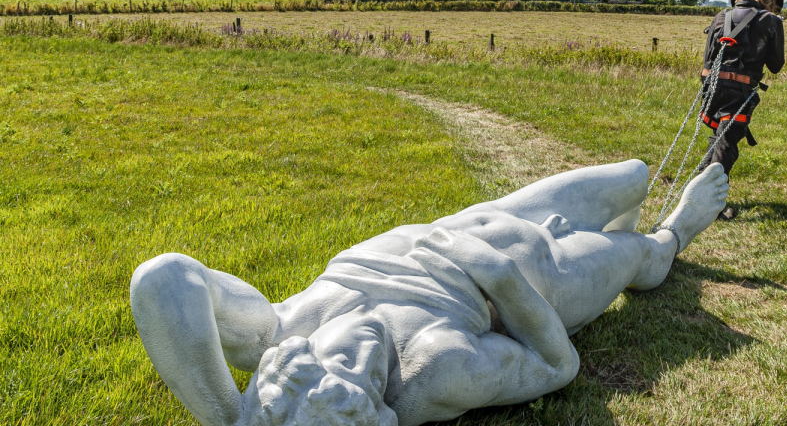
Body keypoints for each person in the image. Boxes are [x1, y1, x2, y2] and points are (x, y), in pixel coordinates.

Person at [131, 160, 728, 426]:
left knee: (633, 175)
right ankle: (680, 227)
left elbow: (163, 279)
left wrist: (228, 420)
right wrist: (498, 277)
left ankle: (625, 224)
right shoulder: (435, 371)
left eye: (340, 360)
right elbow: (558, 364)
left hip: (481, 218)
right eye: (368, 384)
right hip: (544, 273)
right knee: (643, 256)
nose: (365, 356)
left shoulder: (278, 330)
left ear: (296, 361)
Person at [699, 0, 785, 219]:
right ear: (769, 0)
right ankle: (708, 205)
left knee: (720, 138)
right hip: (741, 89)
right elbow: (776, 65)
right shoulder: (770, 21)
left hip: (711, 86)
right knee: (727, 145)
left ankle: (697, 188)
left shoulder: (720, 17)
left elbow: (708, 58)